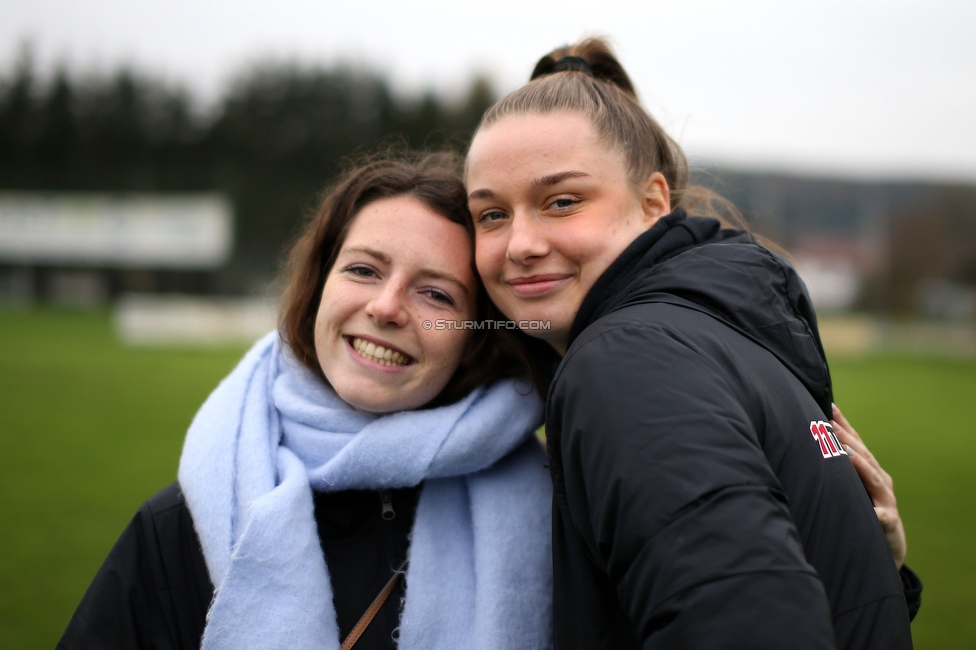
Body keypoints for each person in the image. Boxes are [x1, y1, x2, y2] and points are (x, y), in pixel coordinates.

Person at [465, 38, 920, 649]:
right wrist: (878, 575)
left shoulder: (626, 360)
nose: (520, 243)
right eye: (491, 215)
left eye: (562, 202)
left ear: (653, 201)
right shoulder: (717, 328)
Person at [57, 154, 554, 650]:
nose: (385, 308)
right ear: (318, 287)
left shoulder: (553, 512)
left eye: (437, 296)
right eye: (363, 269)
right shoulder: (179, 526)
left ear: (477, 338)